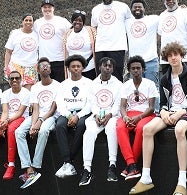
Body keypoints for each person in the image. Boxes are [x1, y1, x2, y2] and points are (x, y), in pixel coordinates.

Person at [129, 42, 187, 195]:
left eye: (176, 54)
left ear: (181, 55)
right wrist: (163, 112)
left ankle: (182, 182)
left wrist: (181, 112)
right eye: (170, 55)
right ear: (166, 58)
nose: (173, 58)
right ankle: (146, 177)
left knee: (180, 130)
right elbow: (163, 103)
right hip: (169, 112)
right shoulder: (164, 78)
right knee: (147, 129)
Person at [16, 57, 60, 190]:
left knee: (43, 131)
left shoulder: (58, 85)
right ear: (38, 70)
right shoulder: (35, 87)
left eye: (47, 66)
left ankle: (35, 166)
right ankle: (28, 168)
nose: (45, 67)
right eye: (42, 66)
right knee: (19, 132)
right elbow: (35, 109)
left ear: (50, 69)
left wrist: (39, 123)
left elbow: (53, 109)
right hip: (37, 116)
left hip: (51, 117)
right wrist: (33, 124)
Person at [79, 57, 123, 186]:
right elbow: (92, 103)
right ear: (100, 67)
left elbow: (118, 104)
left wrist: (109, 115)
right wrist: (97, 114)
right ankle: (87, 169)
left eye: (110, 66)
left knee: (111, 128)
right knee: (89, 133)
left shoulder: (118, 84)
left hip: (112, 115)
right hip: (97, 116)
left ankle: (112, 166)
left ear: (113, 69)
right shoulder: (93, 84)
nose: (107, 68)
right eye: (105, 65)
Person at [0, 69, 30, 181]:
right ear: (8, 81)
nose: (14, 80)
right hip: (7, 118)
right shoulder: (5, 93)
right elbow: (5, 111)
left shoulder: (26, 93)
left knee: (11, 130)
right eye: (11, 78)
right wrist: (2, 123)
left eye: (17, 78)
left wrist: (7, 122)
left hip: (20, 118)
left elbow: (20, 112)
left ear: (21, 80)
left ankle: (11, 165)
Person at [116, 56, 157, 180]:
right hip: (130, 114)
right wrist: (125, 117)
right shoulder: (125, 85)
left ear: (143, 69)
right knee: (120, 127)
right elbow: (122, 107)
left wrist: (139, 117)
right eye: (133, 68)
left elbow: (151, 107)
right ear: (129, 70)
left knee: (141, 128)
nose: (135, 70)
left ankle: (130, 167)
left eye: (138, 68)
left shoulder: (150, 84)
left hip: (146, 114)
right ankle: (132, 165)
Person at [53, 54, 93, 178]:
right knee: (59, 125)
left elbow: (90, 104)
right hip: (67, 113)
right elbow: (59, 103)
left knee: (82, 125)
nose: (76, 68)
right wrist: (69, 116)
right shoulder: (63, 84)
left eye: (78, 66)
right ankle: (67, 161)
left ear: (82, 68)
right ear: (68, 69)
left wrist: (78, 116)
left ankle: (69, 160)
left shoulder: (89, 83)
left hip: (83, 113)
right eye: (73, 66)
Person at [91, 0, 132, 81]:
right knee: (101, 75)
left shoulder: (123, 7)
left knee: (117, 75)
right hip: (100, 47)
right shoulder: (95, 9)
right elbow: (94, 27)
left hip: (117, 46)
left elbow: (130, 23)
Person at [158, 0, 187, 70]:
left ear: (177, 0)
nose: (171, 1)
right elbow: (159, 35)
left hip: (183, 58)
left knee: (183, 81)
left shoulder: (186, 12)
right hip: (166, 59)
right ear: (164, 2)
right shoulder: (162, 15)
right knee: (168, 82)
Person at [125, 0, 160, 92]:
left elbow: (168, 16)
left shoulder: (153, 19)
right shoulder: (126, 22)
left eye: (139, 7)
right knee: (134, 89)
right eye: (134, 7)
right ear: (131, 9)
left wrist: (181, 8)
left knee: (153, 89)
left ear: (144, 9)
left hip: (151, 61)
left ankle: (155, 107)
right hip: (134, 63)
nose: (137, 8)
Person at [33, 0, 72, 83]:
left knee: (61, 85)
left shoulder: (62, 21)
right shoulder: (37, 23)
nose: (47, 9)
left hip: (60, 60)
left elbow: (72, 33)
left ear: (53, 8)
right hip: (44, 61)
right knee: (46, 87)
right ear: (41, 9)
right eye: (45, 7)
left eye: (49, 7)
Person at [5, 13, 39, 90]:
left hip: (31, 67)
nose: (28, 22)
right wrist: (6, 67)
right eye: (26, 20)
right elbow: (8, 51)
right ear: (22, 22)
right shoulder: (15, 33)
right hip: (16, 65)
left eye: (30, 20)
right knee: (16, 90)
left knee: (28, 91)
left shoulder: (36, 34)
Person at [63, 10, 96, 80]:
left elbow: (96, 47)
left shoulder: (90, 31)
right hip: (74, 70)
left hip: (89, 68)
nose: (77, 22)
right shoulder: (67, 34)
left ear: (83, 22)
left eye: (80, 21)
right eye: (75, 20)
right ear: (72, 21)